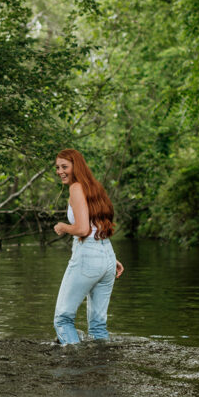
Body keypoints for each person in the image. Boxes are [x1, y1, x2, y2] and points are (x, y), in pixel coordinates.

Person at [51, 148, 124, 345]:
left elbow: (83, 229)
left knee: (62, 319)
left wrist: (63, 226)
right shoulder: (94, 187)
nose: (60, 171)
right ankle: (100, 369)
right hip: (106, 255)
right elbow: (95, 227)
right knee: (98, 325)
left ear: (77, 166)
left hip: (88, 257)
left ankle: (76, 365)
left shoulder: (76, 188)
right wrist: (108, 260)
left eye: (64, 167)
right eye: (57, 167)